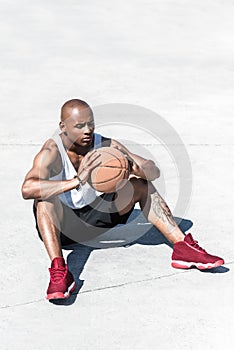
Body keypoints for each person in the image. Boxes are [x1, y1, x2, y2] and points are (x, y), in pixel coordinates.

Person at [21, 99, 224, 301]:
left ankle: (182, 248)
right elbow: (27, 188)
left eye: (91, 123)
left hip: (92, 220)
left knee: (141, 184)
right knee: (43, 201)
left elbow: (154, 170)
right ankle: (60, 271)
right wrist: (76, 181)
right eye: (80, 126)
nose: (87, 130)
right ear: (63, 127)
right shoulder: (52, 151)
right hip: (62, 227)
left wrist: (134, 168)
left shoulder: (106, 146)